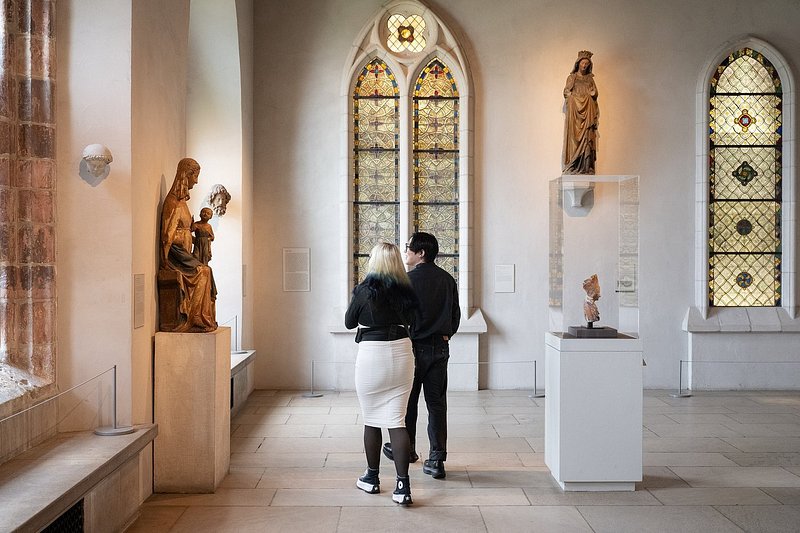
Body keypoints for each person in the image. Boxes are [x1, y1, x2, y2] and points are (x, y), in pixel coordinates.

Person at [345, 242, 419, 505]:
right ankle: (403, 487)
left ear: (374, 262)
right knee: (397, 420)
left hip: (372, 355)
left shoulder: (365, 290)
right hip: (401, 353)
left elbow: (349, 322)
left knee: (371, 418)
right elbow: (416, 320)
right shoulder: (406, 290)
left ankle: (372, 478)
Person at [383, 232, 460, 480]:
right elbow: (455, 317)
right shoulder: (448, 279)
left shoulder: (406, 280)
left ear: (421, 253)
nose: (406, 252)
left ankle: (408, 450)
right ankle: (436, 460)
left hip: (413, 348)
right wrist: (444, 335)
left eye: (408, 248)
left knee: (409, 403)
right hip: (440, 348)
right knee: (437, 405)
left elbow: (397, 317)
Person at [159, 158, 217, 332]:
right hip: (175, 255)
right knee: (204, 272)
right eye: (195, 176)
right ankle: (195, 317)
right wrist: (165, 263)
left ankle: (202, 316)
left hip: (184, 253)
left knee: (206, 270)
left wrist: (189, 233)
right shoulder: (173, 201)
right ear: (186, 175)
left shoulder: (182, 202)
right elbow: (167, 235)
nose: (196, 181)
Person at [563, 50, 598, 175]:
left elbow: (595, 93)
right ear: (578, 64)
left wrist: (591, 95)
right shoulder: (572, 78)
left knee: (587, 139)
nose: (584, 66)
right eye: (583, 63)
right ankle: (573, 165)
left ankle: (586, 166)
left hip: (587, 115)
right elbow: (566, 92)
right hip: (575, 117)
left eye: (587, 64)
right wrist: (573, 98)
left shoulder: (589, 79)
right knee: (574, 140)